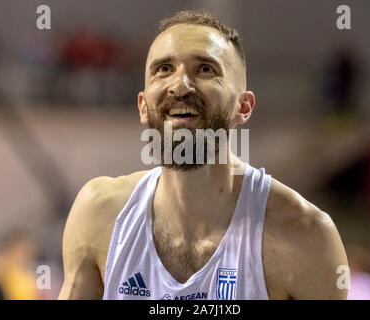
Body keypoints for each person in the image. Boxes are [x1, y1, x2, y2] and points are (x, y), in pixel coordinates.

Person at [58, 10, 348, 300]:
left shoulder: (305, 238)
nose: (180, 85)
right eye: (164, 69)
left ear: (243, 107)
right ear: (143, 106)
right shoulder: (98, 214)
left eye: (206, 69)